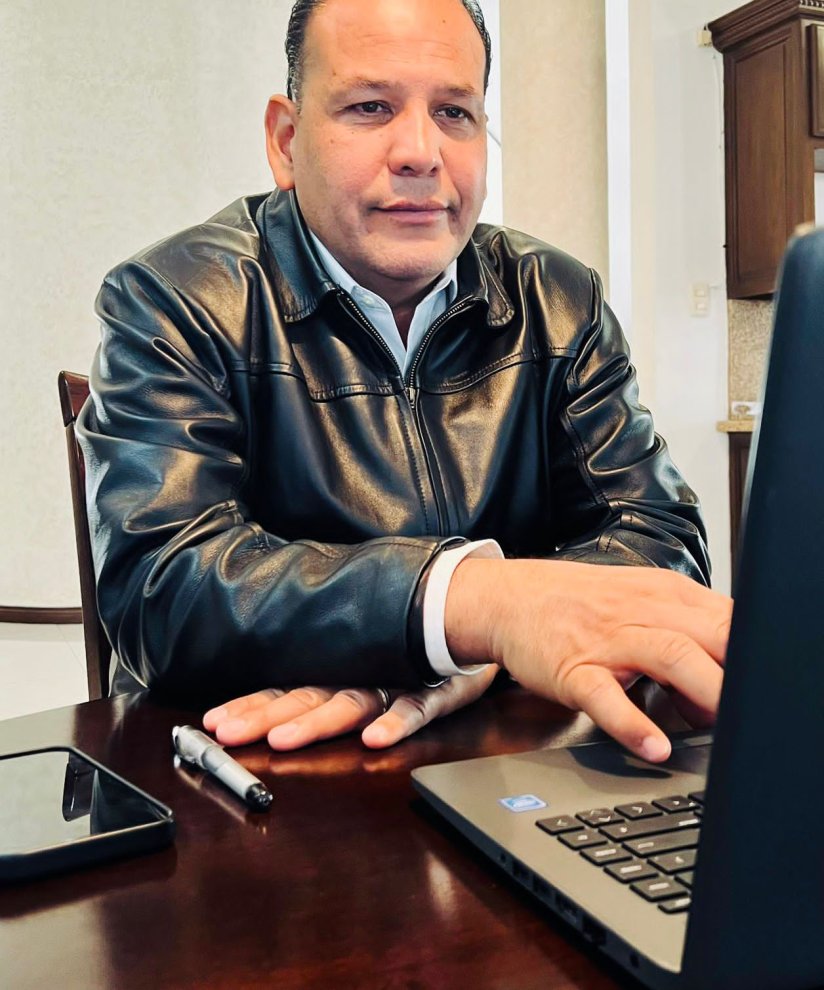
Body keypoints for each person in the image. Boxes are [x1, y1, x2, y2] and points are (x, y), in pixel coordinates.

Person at [78, 0, 731, 764]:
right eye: (370, 107)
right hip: (252, 772)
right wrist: (472, 608)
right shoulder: (176, 298)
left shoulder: (558, 300)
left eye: (454, 113)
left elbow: (662, 540)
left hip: (504, 765)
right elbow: (162, 588)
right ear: (286, 141)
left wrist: (474, 648)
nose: (421, 151)